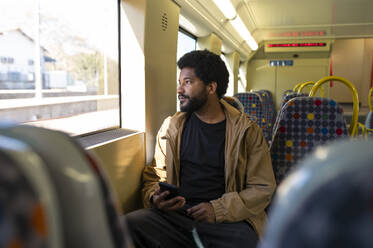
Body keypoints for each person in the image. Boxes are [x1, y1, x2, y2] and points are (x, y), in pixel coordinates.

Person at [123, 50, 276, 248]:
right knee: (128, 225)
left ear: (211, 87)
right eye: (179, 82)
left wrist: (217, 210)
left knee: (246, 242)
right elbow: (155, 175)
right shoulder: (171, 127)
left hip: (226, 221)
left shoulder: (247, 131)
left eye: (187, 82)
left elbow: (262, 188)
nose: (179, 89)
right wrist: (155, 197)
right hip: (177, 216)